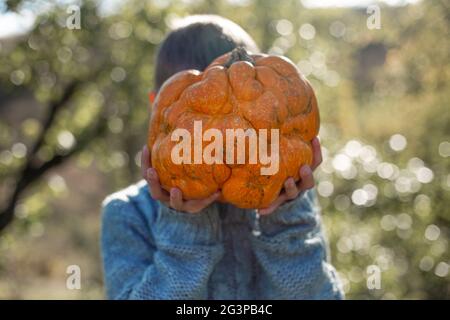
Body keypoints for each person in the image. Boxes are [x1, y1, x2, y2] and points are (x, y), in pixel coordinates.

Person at [101, 14, 344, 299]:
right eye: (201, 114)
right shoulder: (127, 213)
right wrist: (184, 225)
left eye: (244, 115)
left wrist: (284, 219)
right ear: (160, 108)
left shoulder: (288, 198)